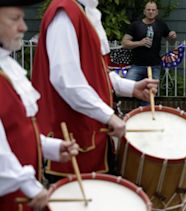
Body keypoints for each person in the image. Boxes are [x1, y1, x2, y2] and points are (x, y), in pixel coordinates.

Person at [31, 0, 159, 181]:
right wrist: (110, 116)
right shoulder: (65, 12)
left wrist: (130, 87)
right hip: (72, 139)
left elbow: (95, 72)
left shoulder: (85, 10)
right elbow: (67, 80)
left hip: (92, 136)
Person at [0, 0, 79, 211]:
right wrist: (30, 186)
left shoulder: (6, 68)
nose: (24, 27)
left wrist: (51, 147)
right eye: (15, 19)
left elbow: (16, 132)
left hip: (19, 202)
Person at [121, 1, 176, 97]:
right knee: (126, 87)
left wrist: (173, 36)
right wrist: (139, 43)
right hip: (137, 65)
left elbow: (171, 42)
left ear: (157, 12)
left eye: (153, 10)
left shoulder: (161, 25)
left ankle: (146, 109)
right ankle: (132, 109)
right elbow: (124, 43)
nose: (151, 12)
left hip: (154, 65)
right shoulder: (136, 25)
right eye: (148, 9)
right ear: (144, 12)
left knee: (151, 93)